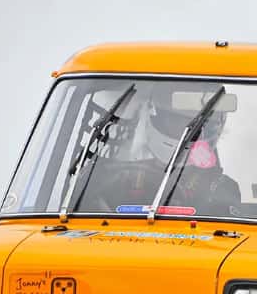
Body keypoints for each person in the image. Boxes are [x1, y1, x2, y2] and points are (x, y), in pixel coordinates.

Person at [80, 82, 241, 217]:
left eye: (197, 126)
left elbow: (218, 242)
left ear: (214, 128)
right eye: (177, 120)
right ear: (156, 117)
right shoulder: (103, 175)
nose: (190, 132)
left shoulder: (221, 187)